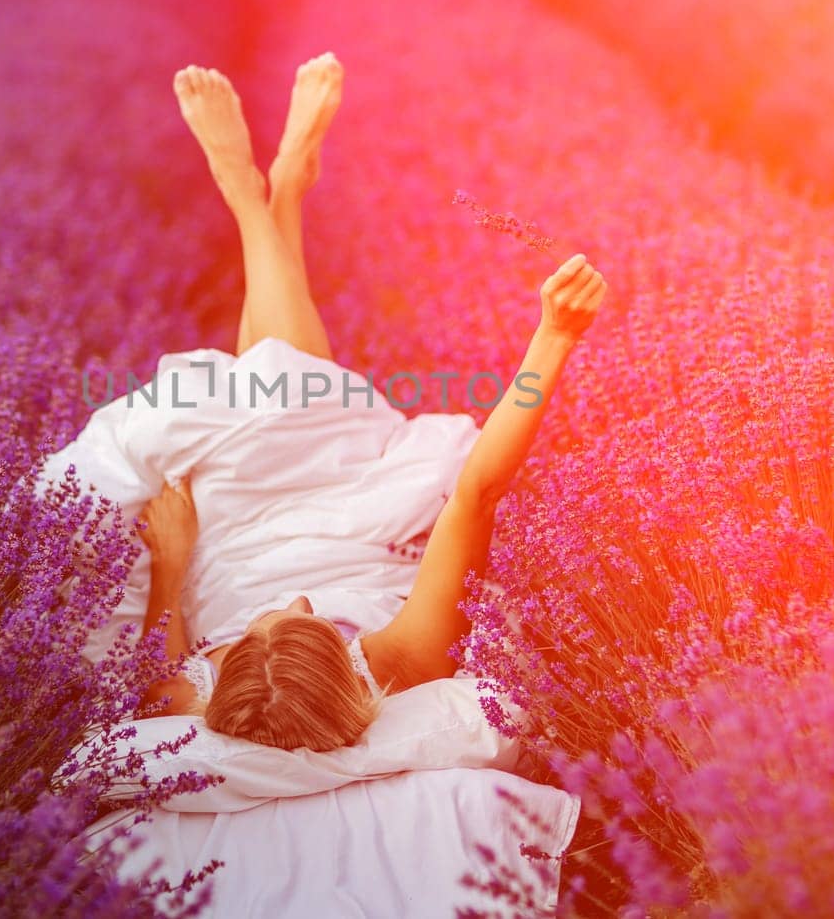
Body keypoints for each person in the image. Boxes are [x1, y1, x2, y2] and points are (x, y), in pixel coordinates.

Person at [133, 53, 606, 751]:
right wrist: (554, 338)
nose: (294, 601)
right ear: (350, 676)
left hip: (244, 525)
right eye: (306, 621)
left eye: (248, 636)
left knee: (266, 392)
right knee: (284, 389)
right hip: (354, 497)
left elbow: (160, 674)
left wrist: (170, 563)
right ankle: (256, 194)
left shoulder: (192, 693)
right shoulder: (403, 660)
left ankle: (270, 196)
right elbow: (476, 491)